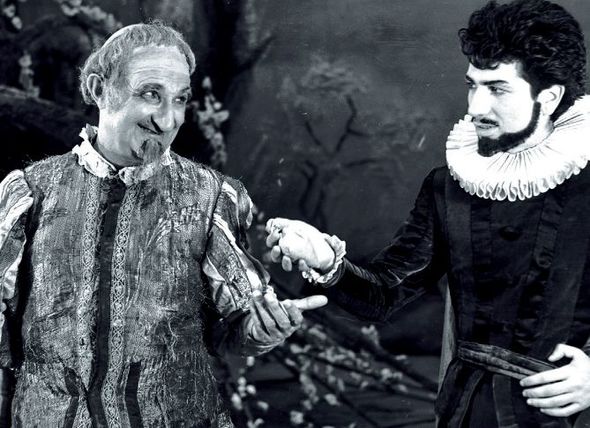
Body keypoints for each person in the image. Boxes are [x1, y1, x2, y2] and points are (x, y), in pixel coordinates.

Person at [266, 0, 590, 426]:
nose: (476, 107)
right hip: (464, 413)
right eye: (472, 85)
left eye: (497, 89)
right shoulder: (448, 186)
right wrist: (326, 260)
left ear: (549, 97)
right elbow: (384, 294)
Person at [0, 22, 327, 427]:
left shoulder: (209, 196)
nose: (168, 119)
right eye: (150, 94)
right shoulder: (31, 192)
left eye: (180, 99)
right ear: (100, 89)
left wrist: (264, 327)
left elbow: (236, 326)